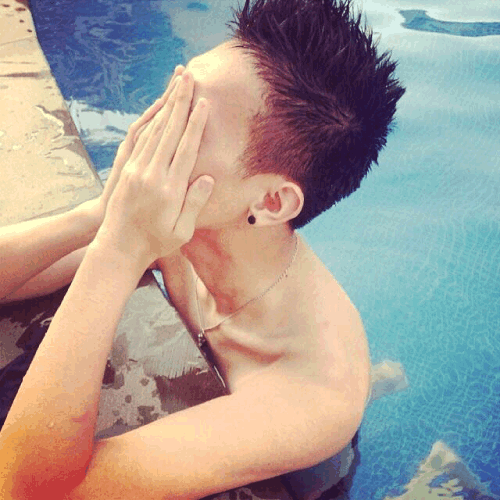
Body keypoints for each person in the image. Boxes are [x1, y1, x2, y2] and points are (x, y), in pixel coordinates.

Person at [0, 0, 405, 498]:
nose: (156, 126)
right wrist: (100, 215)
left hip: (311, 472)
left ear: (272, 201)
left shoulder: (312, 388)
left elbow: (28, 489)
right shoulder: (190, 222)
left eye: (190, 119)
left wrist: (120, 250)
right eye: (176, 93)